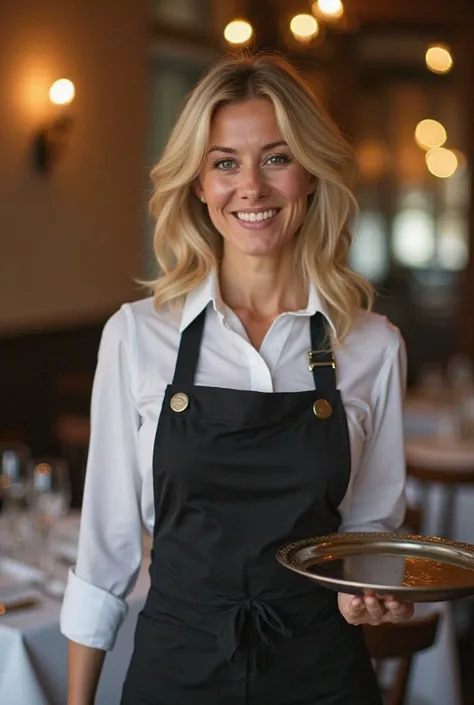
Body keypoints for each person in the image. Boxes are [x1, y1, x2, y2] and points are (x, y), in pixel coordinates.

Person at [60, 52, 412, 705]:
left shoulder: (372, 346)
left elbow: (368, 532)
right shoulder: (137, 336)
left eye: (276, 157)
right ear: (197, 184)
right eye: (225, 162)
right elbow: (104, 554)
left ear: (311, 173)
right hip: (175, 671)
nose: (250, 186)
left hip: (321, 678)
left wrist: (371, 595)